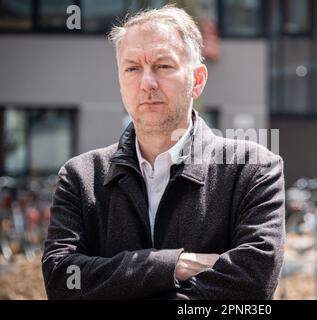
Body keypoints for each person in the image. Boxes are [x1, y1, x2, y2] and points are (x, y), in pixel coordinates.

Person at [41, 5, 285, 300]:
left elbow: (252, 285)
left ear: (197, 81)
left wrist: (116, 284)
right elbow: (62, 279)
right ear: (120, 82)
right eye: (132, 68)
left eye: (163, 66)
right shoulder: (81, 177)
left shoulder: (253, 170)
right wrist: (174, 266)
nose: (147, 83)